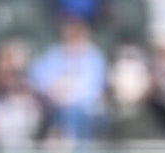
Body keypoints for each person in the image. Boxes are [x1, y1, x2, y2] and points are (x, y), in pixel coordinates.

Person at [29, 11, 107, 144]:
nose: (72, 33)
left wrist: (69, 98)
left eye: (77, 30)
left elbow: (94, 89)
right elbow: (37, 78)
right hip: (54, 106)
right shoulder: (53, 54)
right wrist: (54, 92)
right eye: (70, 29)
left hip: (85, 109)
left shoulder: (94, 56)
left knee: (77, 113)